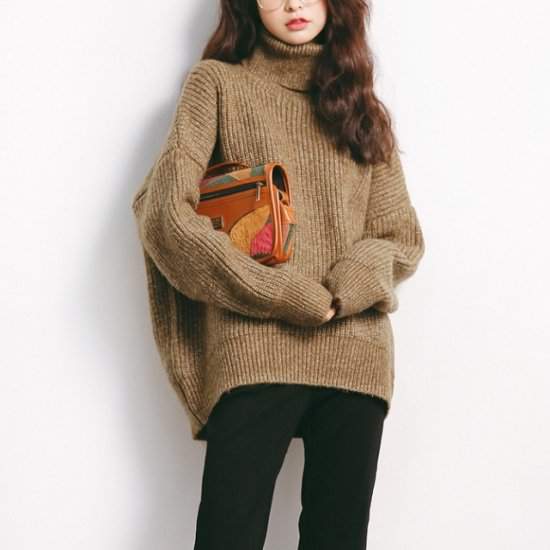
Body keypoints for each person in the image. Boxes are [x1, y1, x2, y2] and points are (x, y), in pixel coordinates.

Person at [131, 0, 426, 548]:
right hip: (255, 350)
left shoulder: (362, 107)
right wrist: (279, 292)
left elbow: (400, 236)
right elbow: (166, 214)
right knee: (227, 536)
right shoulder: (218, 85)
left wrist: (340, 291)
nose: (292, 4)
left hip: (355, 356)